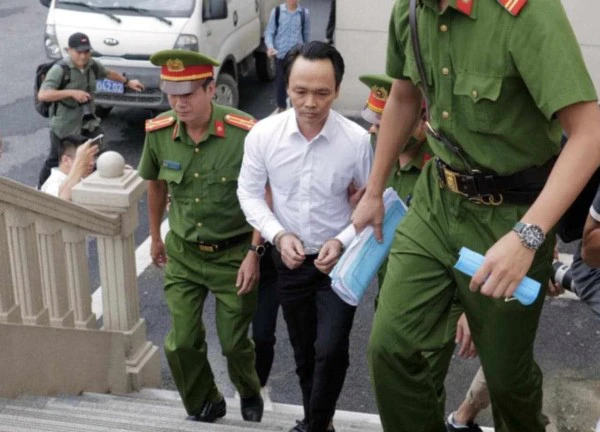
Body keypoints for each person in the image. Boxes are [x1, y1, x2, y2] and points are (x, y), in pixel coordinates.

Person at [352, 0, 600, 430]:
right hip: (436, 202)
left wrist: (528, 236)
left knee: (505, 379)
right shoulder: (410, 10)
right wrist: (374, 189)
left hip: (511, 214)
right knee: (390, 349)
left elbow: (590, 133)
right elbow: (404, 96)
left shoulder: (528, 12)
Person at [237, 41, 372, 432]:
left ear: (338, 89)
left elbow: (370, 204)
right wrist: (278, 236)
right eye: (300, 91)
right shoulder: (263, 135)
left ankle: (314, 424)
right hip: (291, 261)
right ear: (286, 85)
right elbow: (249, 193)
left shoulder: (356, 140)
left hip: (340, 263)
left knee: (331, 348)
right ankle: (319, 423)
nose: (310, 103)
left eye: (322, 93)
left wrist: (342, 239)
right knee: (304, 349)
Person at [137, 49, 264, 424]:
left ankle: (249, 389)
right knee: (181, 342)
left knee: (234, 343)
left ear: (211, 89)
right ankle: (205, 402)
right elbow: (156, 184)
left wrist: (254, 252)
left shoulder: (245, 133)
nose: (179, 103)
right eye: (171, 94)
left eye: (188, 94)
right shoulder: (160, 132)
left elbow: (265, 193)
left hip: (234, 255)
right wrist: (155, 236)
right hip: (184, 253)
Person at [37, 32, 144, 188]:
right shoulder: (60, 70)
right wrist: (72, 93)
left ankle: (111, 178)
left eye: (86, 52)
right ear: (69, 50)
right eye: (79, 52)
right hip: (65, 125)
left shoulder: (91, 65)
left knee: (102, 149)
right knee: (56, 160)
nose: (83, 56)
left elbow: (108, 73)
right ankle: (41, 189)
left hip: (88, 121)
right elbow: (43, 95)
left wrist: (128, 82)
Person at [264, 0, 310, 113]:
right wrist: (270, 47)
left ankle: (296, 110)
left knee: (296, 85)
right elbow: (269, 32)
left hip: (296, 57)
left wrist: (307, 55)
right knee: (280, 84)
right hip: (280, 55)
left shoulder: (304, 14)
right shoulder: (277, 12)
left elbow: (306, 35)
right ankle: (282, 109)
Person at [40, 135, 99, 201]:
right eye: (85, 159)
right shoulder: (52, 187)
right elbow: (61, 203)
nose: (92, 163)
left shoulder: (80, 177)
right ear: (66, 160)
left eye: (93, 158)